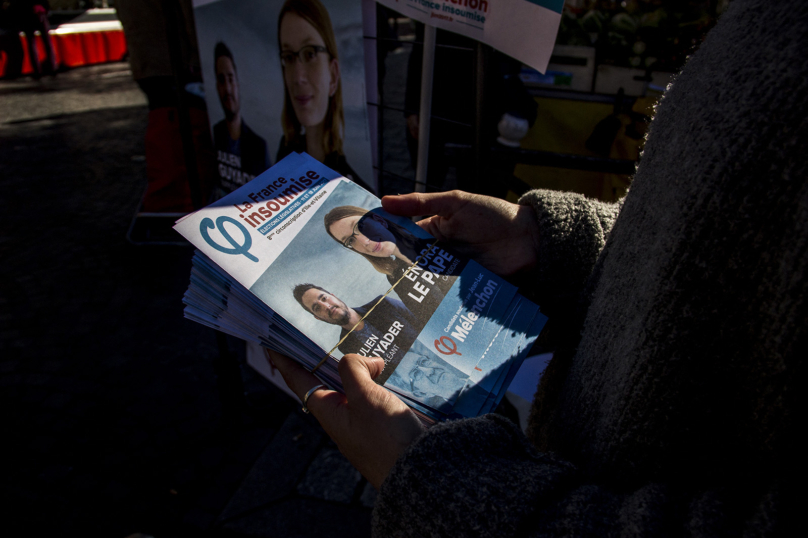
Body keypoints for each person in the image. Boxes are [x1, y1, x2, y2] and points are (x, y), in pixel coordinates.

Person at [270, 0, 801, 535]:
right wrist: (548, 244)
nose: (363, 242)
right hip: (562, 450)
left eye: (361, 228)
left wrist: (446, 491)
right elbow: (695, 233)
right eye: (351, 244)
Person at [275, 0, 369, 190]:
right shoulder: (285, 153)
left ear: (333, 74)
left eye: (310, 54)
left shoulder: (353, 186)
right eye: (289, 58)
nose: (298, 77)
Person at [322, 205, 464, 315]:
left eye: (360, 226)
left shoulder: (432, 233)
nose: (364, 242)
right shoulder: (395, 278)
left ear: (377, 219)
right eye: (351, 240)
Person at [292, 284, 419, 384]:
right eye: (317, 308)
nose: (326, 306)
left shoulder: (384, 304)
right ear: (318, 318)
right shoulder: (346, 348)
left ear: (333, 295)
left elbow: (424, 323)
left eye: (324, 298)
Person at [212, 41, 270, 198]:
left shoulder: (258, 146)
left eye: (231, 79)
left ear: (238, 83)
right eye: (221, 80)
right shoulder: (215, 134)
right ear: (217, 86)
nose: (228, 89)